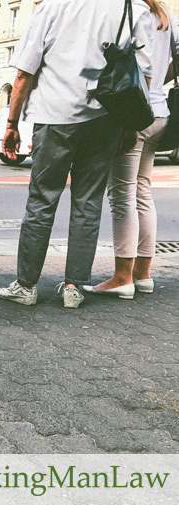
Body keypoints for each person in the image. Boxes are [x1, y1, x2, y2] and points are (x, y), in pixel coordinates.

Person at [0, 0, 153, 309]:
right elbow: (143, 74)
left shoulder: (52, 6)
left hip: (55, 115)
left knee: (42, 199)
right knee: (88, 202)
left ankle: (26, 285)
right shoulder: (132, 8)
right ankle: (74, 287)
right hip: (106, 117)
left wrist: (12, 123)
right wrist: (130, 126)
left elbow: (24, 72)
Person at [86, 0, 175, 299]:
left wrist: (128, 123)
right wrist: (159, 84)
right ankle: (143, 274)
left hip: (135, 113)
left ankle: (122, 276)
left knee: (122, 195)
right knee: (142, 190)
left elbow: (136, 63)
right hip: (160, 112)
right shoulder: (166, 14)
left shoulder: (131, 11)